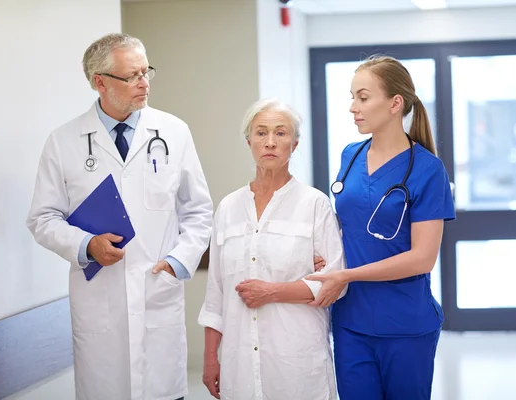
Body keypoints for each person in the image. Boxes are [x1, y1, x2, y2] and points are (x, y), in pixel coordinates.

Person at [26, 33, 213, 400]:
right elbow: (42, 218)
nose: (144, 83)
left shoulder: (174, 132)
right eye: (132, 76)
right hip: (100, 302)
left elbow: (199, 209)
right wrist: (85, 244)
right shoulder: (64, 141)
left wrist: (179, 260)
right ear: (100, 82)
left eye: (146, 72)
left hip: (158, 292)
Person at [306, 55, 456, 400]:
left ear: (395, 103)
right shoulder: (351, 155)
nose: (352, 107)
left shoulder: (428, 170)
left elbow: (422, 259)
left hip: (405, 323)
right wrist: (327, 259)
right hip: (350, 321)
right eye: (352, 97)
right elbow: (347, 228)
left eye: (362, 97)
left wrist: (347, 275)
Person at [198, 98, 346, 400]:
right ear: (249, 141)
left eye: (280, 133)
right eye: (261, 132)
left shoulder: (314, 204)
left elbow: (335, 283)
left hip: (296, 363)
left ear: (294, 143)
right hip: (241, 366)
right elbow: (216, 294)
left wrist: (272, 292)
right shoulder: (228, 208)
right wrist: (211, 358)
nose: (270, 142)